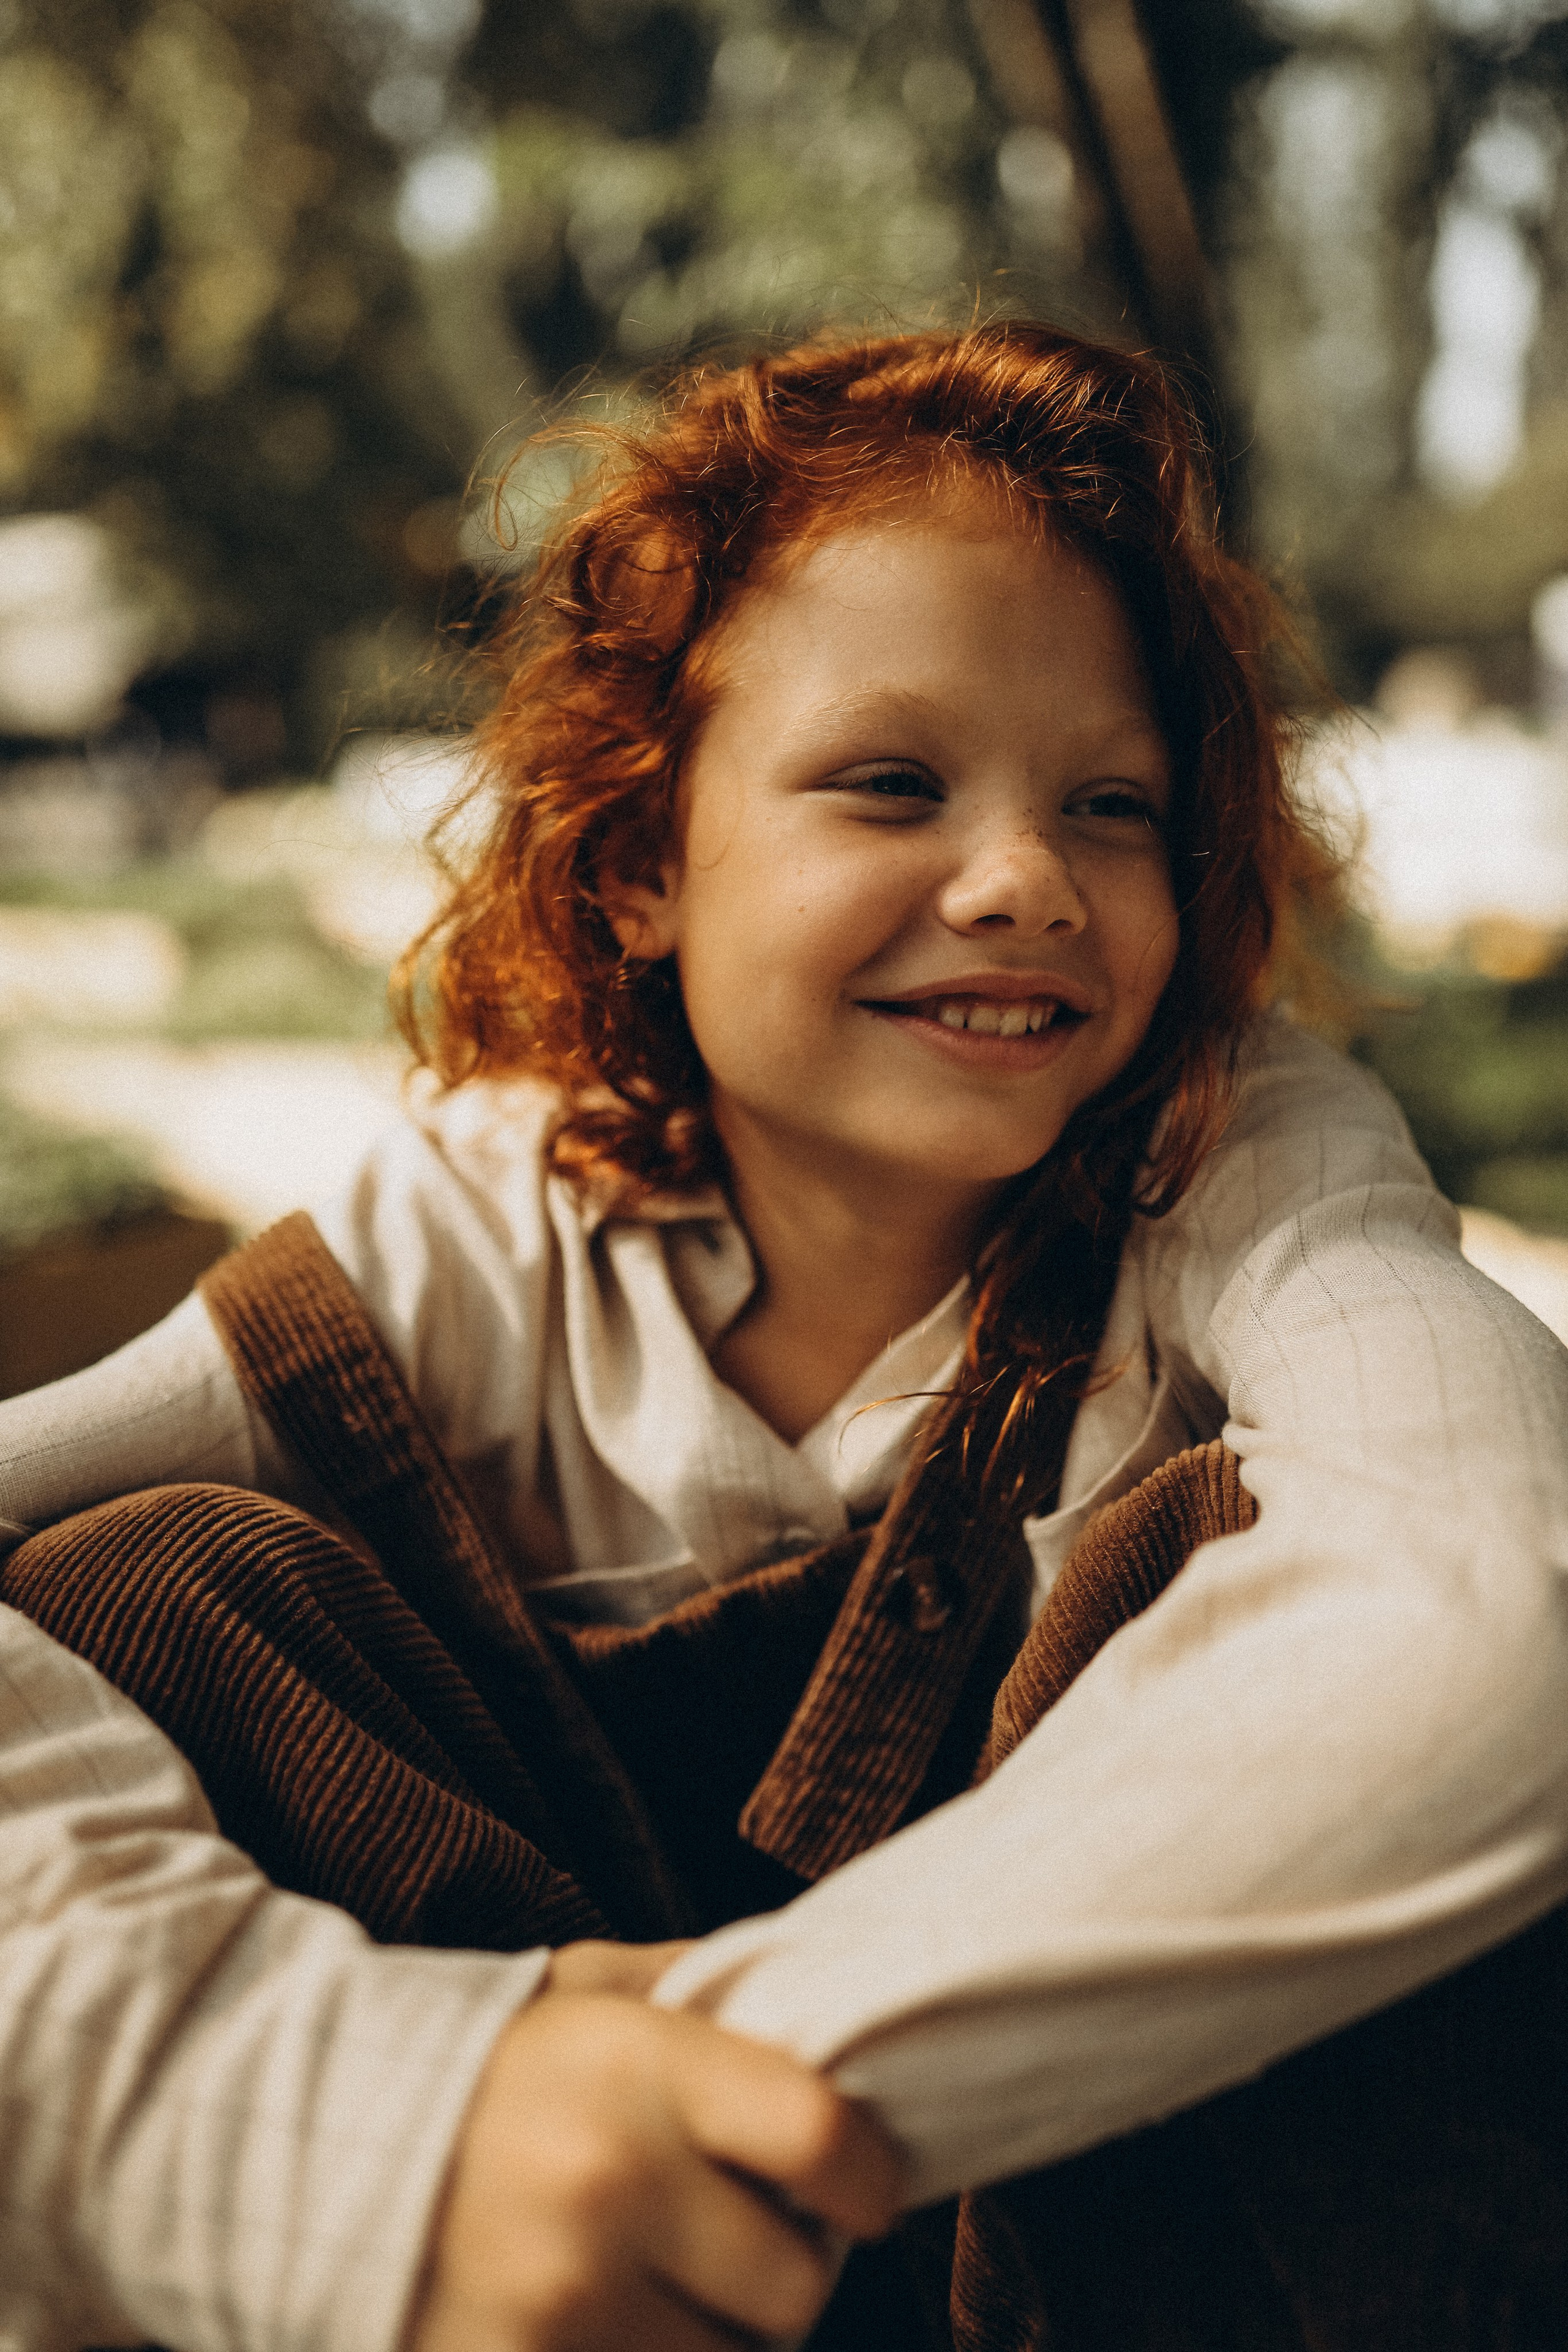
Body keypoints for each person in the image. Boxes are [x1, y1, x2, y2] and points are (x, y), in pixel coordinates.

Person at [1, 323, 1566, 2352]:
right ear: (645, 862)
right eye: (893, 785)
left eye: (1112, 805)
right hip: (507, 2243)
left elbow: (1492, 1573)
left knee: (1318, 1632)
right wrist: (326, 2112)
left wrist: (677, 2097)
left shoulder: (1232, 1158)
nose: (1025, 881)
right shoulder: (480, 1233)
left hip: (1070, 2241)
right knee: (154, 1580)